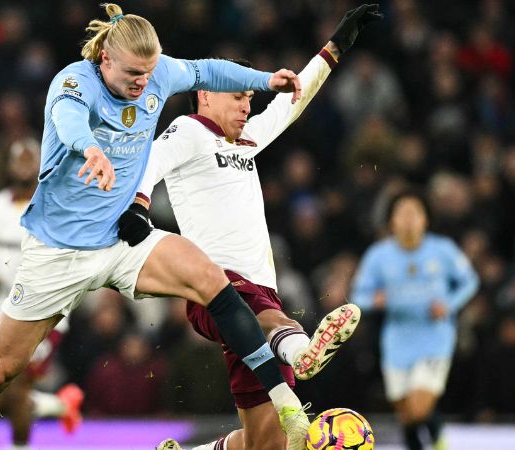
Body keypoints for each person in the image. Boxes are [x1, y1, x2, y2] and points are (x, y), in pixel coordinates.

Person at [0, 4, 311, 449]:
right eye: (132, 74)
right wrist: (90, 149)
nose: (143, 83)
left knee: (210, 279)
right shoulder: (72, 81)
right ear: (104, 59)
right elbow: (67, 119)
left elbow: (204, 71)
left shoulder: (155, 73)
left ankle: (284, 401)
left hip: (120, 240)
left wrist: (263, 80)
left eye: (148, 73)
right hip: (58, 251)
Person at [117, 5, 384, 450]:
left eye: (249, 99)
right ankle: (303, 352)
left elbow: (291, 104)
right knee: (266, 321)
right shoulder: (189, 129)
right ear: (205, 93)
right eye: (239, 95)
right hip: (216, 287)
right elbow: (150, 162)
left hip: (263, 295)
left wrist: (333, 49)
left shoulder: (247, 141)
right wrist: (140, 205)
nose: (246, 104)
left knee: (268, 443)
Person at [0, 137, 84, 449]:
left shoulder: (54, 200)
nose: (24, 165)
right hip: (4, 307)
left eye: (29, 159)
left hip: (46, 308)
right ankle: (60, 406)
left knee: (18, 384)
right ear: (9, 165)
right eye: (18, 159)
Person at [351, 191, 479, 450]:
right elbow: (357, 296)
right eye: (402, 213)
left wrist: (449, 305)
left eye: (415, 212)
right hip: (397, 341)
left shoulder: (442, 250)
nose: (409, 219)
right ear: (392, 221)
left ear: (425, 220)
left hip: (434, 337)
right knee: (407, 416)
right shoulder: (378, 256)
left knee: (419, 408)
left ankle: (442, 442)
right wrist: (374, 300)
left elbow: (470, 281)